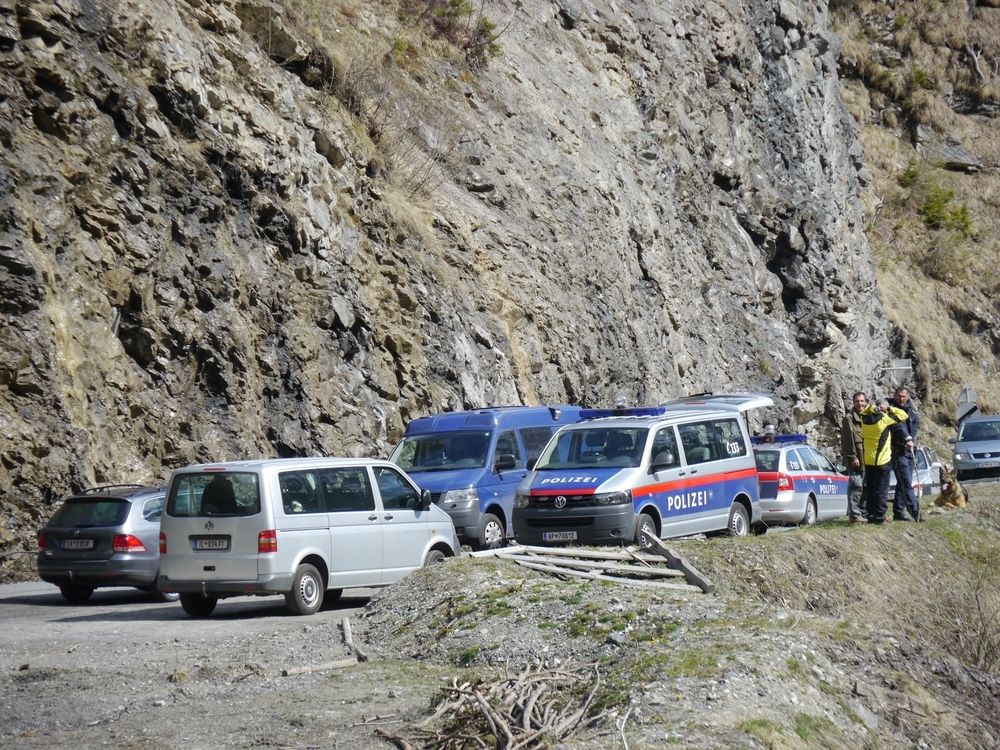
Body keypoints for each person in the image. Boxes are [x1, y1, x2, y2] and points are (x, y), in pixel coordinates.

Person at [859, 397, 910, 525]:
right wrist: (889, 408)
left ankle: (870, 514)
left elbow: (864, 410)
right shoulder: (885, 420)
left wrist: (872, 408)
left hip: (869, 460)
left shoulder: (863, 419)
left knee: (871, 488)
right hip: (882, 460)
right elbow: (904, 415)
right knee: (882, 490)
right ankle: (879, 516)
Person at [888, 386, 921, 521]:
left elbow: (915, 428)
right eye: (899, 396)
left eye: (904, 396)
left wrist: (913, 441)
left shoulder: (911, 411)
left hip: (910, 452)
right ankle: (916, 513)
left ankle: (898, 511)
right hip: (898, 451)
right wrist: (907, 439)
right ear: (895, 396)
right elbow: (898, 427)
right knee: (906, 483)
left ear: (907, 397)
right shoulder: (891, 410)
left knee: (903, 482)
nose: (901, 399)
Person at [840, 391, 867, 524]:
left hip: (866, 459)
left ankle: (863, 513)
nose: (860, 404)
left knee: (864, 487)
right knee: (856, 486)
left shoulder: (867, 417)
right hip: (855, 460)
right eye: (857, 401)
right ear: (853, 402)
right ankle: (854, 515)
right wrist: (853, 457)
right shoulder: (849, 419)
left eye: (862, 401)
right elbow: (847, 440)